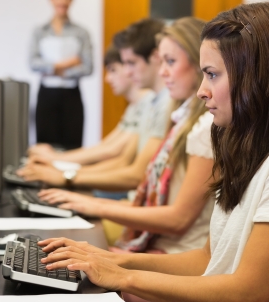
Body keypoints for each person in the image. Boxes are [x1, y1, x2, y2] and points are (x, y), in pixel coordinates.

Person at [38, 2, 269, 302]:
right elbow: (208, 259)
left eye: (212, 75)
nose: (201, 92)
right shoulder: (240, 148)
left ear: (256, 77)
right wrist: (111, 259)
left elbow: (246, 296)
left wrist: (123, 275)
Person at [38, 17, 214, 260]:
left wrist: (70, 180)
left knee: (72, 249)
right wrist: (64, 171)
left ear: (198, 65)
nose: (163, 72)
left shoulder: (201, 125)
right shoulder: (179, 116)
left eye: (170, 62)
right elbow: (114, 152)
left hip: (172, 246)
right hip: (157, 234)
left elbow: (134, 174)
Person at [19, 19, 171, 192]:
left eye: (130, 63)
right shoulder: (152, 102)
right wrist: (60, 165)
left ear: (154, 57)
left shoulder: (161, 104)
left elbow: (124, 163)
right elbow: (113, 153)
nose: (128, 72)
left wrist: (64, 172)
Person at [28, 45, 153, 166]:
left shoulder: (148, 102)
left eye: (113, 70)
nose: (107, 79)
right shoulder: (133, 107)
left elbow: (111, 151)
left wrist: (56, 160)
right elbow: (105, 146)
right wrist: (57, 158)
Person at [30, 0, 93, 150]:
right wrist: (69, 63)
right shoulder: (40, 31)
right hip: (46, 95)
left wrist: (54, 70)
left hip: (71, 95)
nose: (62, 1)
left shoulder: (81, 32)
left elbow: (88, 67)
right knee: (45, 145)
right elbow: (33, 63)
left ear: (71, 0)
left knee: (72, 145)